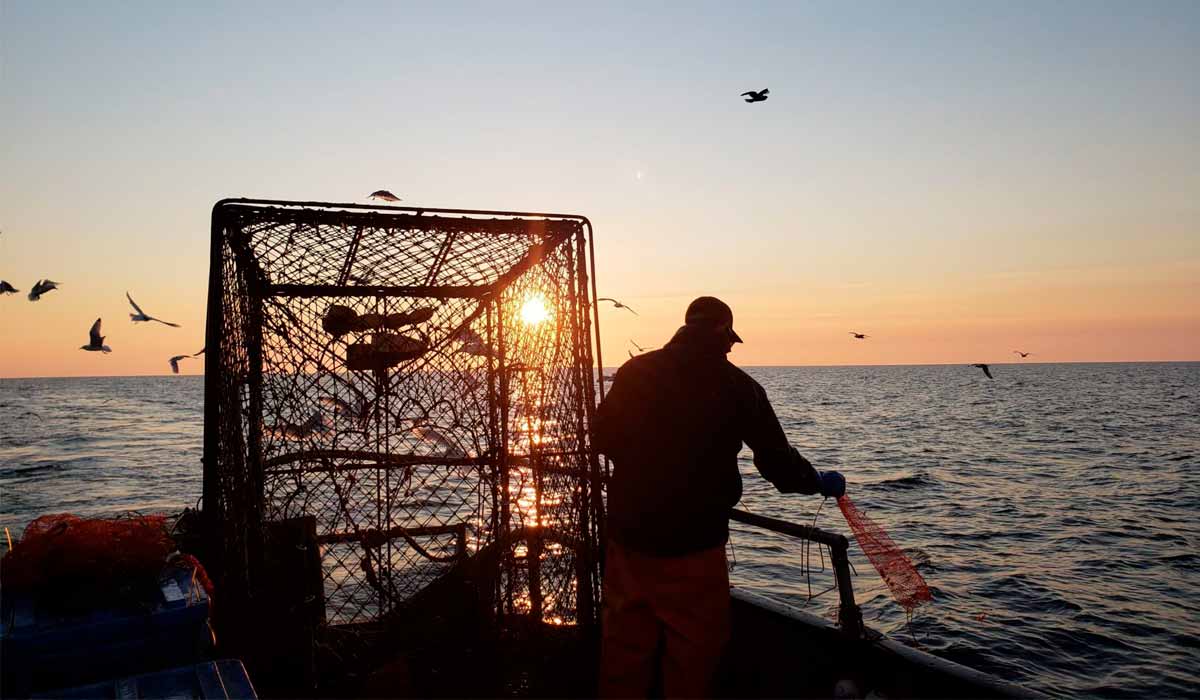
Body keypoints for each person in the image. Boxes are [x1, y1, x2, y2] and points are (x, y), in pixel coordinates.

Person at [594, 296, 845, 698]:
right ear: (719, 330)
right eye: (730, 338)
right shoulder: (739, 388)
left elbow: (602, 436)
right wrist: (816, 480)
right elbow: (777, 464)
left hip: (629, 540)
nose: (731, 346)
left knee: (624, 647)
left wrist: (650, 458)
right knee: (694, 650)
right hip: (694, 544)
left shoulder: (636, 371)